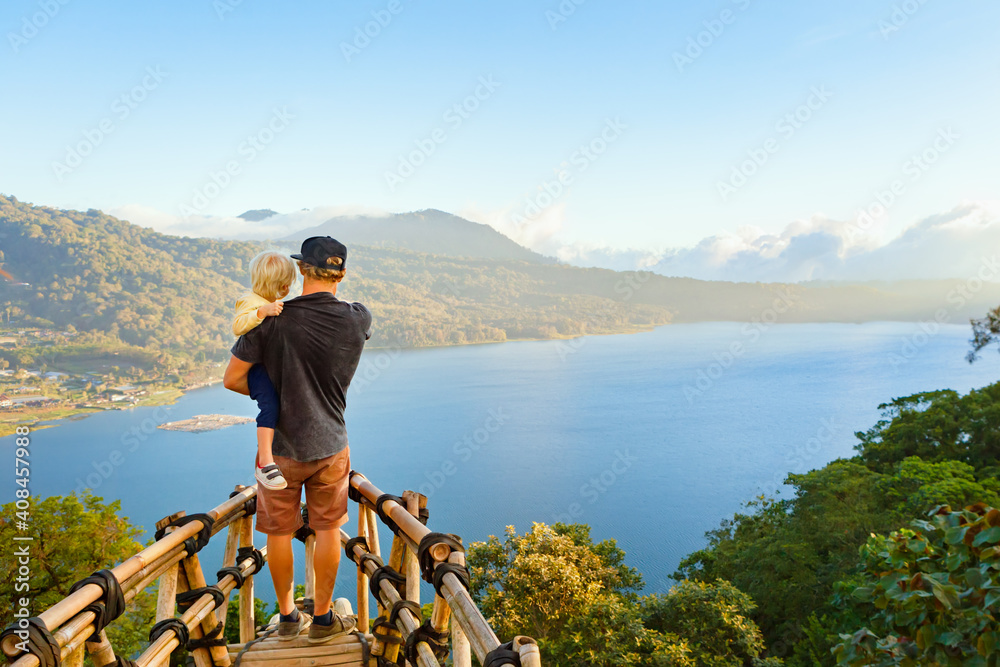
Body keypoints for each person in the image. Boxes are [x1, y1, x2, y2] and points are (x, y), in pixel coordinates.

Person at [223, 236, 371, 644]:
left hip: (280, 452)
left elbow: (232, 379)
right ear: (341, 274)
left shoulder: (268, 319)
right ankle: (322, 620)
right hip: (331, 445)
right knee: (327, 529)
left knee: (278, 532)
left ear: (301, 271)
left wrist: (274, 396)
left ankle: (288, 617)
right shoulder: (358, 318)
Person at [232, 251, 297, 491]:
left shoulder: (270, 303)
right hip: (257, 368)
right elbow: (238, 326)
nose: (288, 289)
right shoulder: (250, 301)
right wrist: (261, 313)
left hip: (269, 365)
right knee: (269, 406)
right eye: (285, 285)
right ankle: (265, 462)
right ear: (279, 285)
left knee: (278, 404)